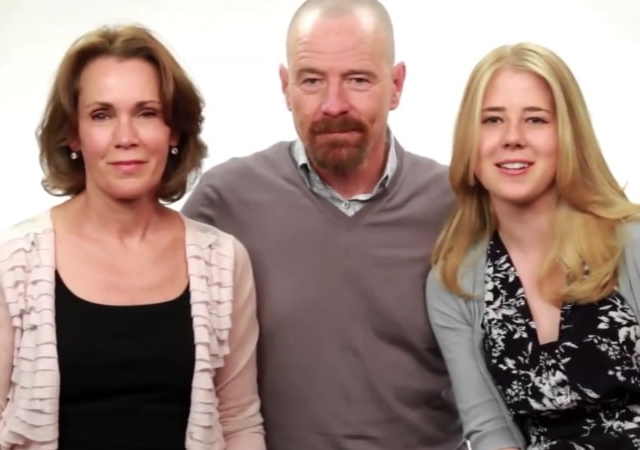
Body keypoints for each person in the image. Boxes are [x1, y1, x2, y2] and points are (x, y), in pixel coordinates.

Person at [180, 0, 465, 449]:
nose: (334, 104)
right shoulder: (224, 201)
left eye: (357, 79)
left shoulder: (458, 205)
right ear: (285, 86)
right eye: (312, 80)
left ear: (395, 85)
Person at [0, 25, 265, 449]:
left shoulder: (224, 262)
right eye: (102, 115)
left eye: (147, 112)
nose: (126, 137)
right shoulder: (12, 261)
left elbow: (239, 422)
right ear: (74, 135)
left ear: (174, 132)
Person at [426, 41, 640, 450]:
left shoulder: (630, 244)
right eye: (491, 120)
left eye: (536, 120)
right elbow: (489, 432)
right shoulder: (454, 283)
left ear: (568, 135)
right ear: (470, 141)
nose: (512, 138)